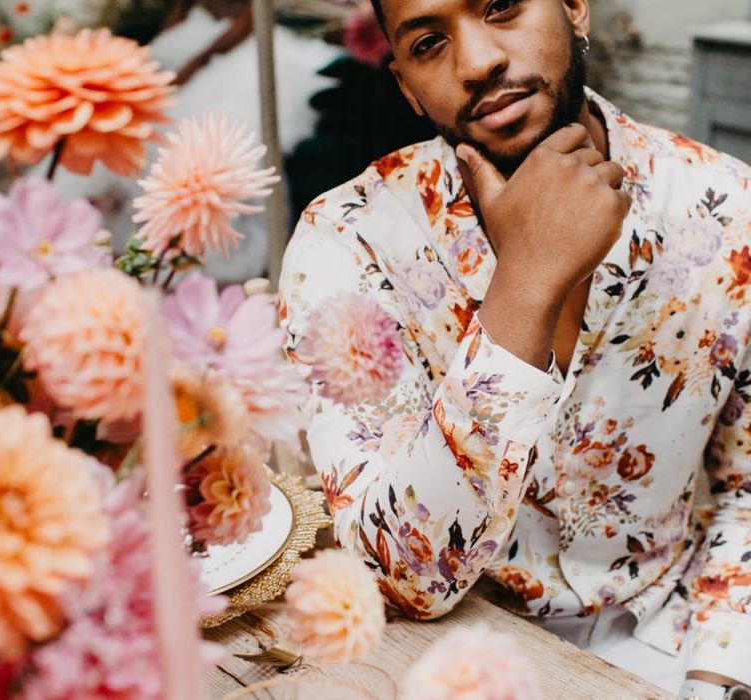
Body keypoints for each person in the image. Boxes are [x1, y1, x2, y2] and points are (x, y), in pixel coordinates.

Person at [278, 1, 751, 697]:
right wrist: (525, 285)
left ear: (574, 8)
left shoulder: (725, 204)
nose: (477, 62)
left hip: (666, 640)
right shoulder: (348, 240)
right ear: (407, 86)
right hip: (442, 655)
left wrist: (716, 679)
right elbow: (401, 578)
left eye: (500, 5)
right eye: (431, 42)